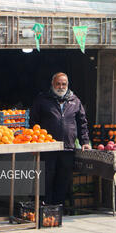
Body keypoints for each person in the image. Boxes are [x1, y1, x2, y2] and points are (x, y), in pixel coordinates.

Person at [30, 72, 91, 205]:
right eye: (58, 83)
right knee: (46, 178)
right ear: (52, 84)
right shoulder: (42, 100)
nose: (61, 87)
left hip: (68, 148)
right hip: (48, 148)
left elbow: (82, 123)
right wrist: (34, 143)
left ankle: (58, 208)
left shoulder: (75, 101)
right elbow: (33, 122)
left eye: (64, 84)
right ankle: (44, 206)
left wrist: (85, 142)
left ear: (67, 85)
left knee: (63, 179)